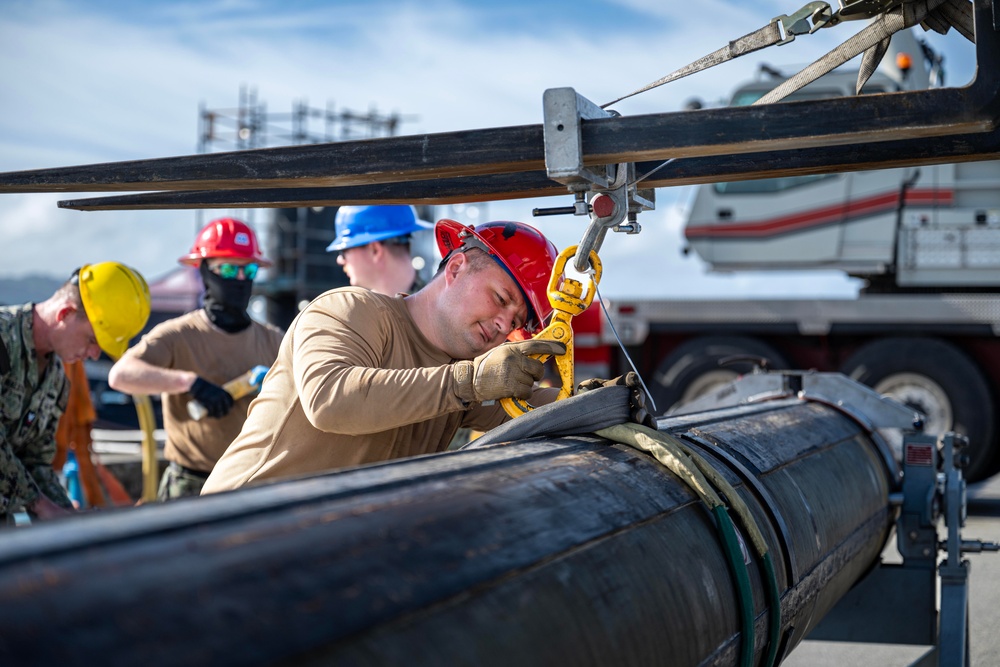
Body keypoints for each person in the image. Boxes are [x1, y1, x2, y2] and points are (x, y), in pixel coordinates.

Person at [202, 219, 566, 493]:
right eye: (501, 299)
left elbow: (541, 408)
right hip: (226, 534)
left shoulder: (462, 377)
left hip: (318, 548)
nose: (504, 324)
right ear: (456, 269)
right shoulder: (348, 310)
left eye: (517, 320)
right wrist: (468, 382)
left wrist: (606, 397)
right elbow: (329, 400)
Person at [108, 218, 284, 499]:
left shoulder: (274, 341)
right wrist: (188, 383)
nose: (239, 280)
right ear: (204, 272)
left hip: (251, 483)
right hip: (190, 487)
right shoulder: (177, 335)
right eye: (227, 269)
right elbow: (121, 375)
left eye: (247, 270)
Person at [1, 262, 150, 524]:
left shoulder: (57, 376)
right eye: (92, 340)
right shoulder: (3, 337)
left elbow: (36, 462)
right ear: (65, 313)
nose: (94, 354)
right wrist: (39, 504)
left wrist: (67, 516)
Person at [327, 205, 432, 295]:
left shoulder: (438, 312)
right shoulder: (436, 307)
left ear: (375, 250)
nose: (340, 260)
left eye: (344, 252)